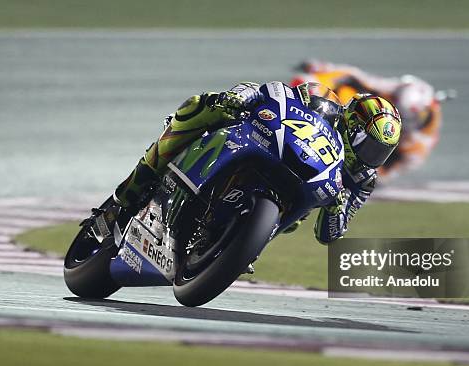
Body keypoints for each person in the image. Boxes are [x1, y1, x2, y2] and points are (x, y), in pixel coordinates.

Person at [90, 81, 402, 246]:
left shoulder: (363, 180)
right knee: (202, 106)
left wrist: (337, 206)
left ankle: (231, 242)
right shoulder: (326, 105)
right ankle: (126, 197)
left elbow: (331, 234)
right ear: (352, 126)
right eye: (369, 145)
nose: (371, 157)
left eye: (381, 152)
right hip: (272, 145)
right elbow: (278, 92)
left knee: (292, 223)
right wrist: (244, 94)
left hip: (293, 199)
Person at [291, 60, 442, 183]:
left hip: (354, 150)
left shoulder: (417, 147)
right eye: (394, 99)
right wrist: (324, 70)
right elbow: (358, 77)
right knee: (309, 83)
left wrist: (356, 171)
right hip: (360, 113)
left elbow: (383, 174)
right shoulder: (409, 90)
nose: (393, 99)